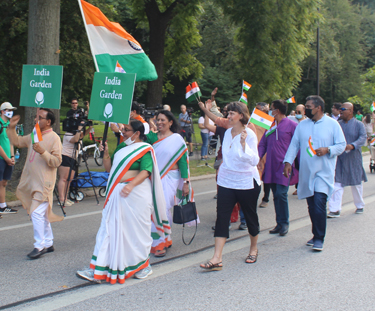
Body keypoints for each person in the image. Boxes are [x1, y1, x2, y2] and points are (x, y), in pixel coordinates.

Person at [76, 120, 169, 283]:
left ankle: (143, 265)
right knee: (108, 229)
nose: (123, 132)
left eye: (126, 130)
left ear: (137, 133)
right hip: (117, 194)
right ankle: (97, 268)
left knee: (136, 232)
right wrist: (105, 155)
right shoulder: (121, 148)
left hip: (137, 194)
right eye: (123, 129)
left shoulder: (145, 149)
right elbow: (109, 169)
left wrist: (131, 185)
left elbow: (146, 171)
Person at [200, 102, 261, 270]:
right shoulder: (227, 133)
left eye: (232, 113)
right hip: (227, 181)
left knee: (250, 217)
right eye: (228, 113)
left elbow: (254, 160)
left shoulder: (249, 133)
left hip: (246, 182)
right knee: (222, 217)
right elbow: (226, 158)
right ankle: (216, 258)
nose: (229, 116)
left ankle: (253, 249)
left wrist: (243, 145)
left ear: (241, 115)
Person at [283, 96, 346, 251]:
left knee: (319, 204)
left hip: (324, 173)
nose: (306, 109)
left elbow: (341, 145)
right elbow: (294, 145)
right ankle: (315, 234)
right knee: (311, 206)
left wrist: (328, 150)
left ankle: (319, 238)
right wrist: (288, 162)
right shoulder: (302, 125)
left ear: (318, 108)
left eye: (309, 106)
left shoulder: (332, 124)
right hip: (307, 172)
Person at [7, 109, 62, 259]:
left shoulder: (54, 138)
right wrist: (11, 128)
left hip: (44, 183)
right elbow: (17, 141)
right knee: (41, 215)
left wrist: (43, 151)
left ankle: (40, 246)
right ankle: (49, 243)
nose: (36, 119)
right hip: (32, 182)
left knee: (36, 213)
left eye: (40, 117)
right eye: (36, 117)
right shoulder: (34, 135)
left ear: (49, 122)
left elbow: (57, 161)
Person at [147, 110, 192, 257]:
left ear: (170, 122)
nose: (159, 122)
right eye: (157, 120)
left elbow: (183, 162)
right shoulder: (152, 137)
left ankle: (160, 242)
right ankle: (165, 238)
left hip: (171, 177)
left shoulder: (177, 139)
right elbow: (135, 141)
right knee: (155, 208)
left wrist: (186, 182)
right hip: (154, 178)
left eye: (162, 120)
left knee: (163, 207)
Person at [258, 100, 298, 236]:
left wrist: (296, 163)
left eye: (272, 109)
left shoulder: (292, 125)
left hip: (284, 165)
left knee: (281, 193)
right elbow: (262, 143)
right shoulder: (271, 126)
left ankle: (285, 223)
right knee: (275, 194)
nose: (270, 111)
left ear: (278, 110)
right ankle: (279, 223)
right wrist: (258, 157)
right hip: (271, 164)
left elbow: (298, 145)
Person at [328, 102, 367, 217]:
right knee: (337, 184)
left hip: (353, 158)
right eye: (340, 109)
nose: (341, 111)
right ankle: (335, 209)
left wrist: (352, 145)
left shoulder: (359, 124)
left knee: (356, 183)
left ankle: (359, 205)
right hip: (339, 159)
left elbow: (363, 137)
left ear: (351, 111)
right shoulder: (337, 124)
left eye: (343, 109)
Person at [57, 123, 85, 207]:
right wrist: (79, 128)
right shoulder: (68, 134)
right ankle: (61, 199)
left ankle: (65, 198)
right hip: (66, 157)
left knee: (70, 179)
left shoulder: (77, 134)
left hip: (73, 158)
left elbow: (82, 135)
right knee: (64, 178)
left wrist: (89, 127)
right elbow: (75, 140)